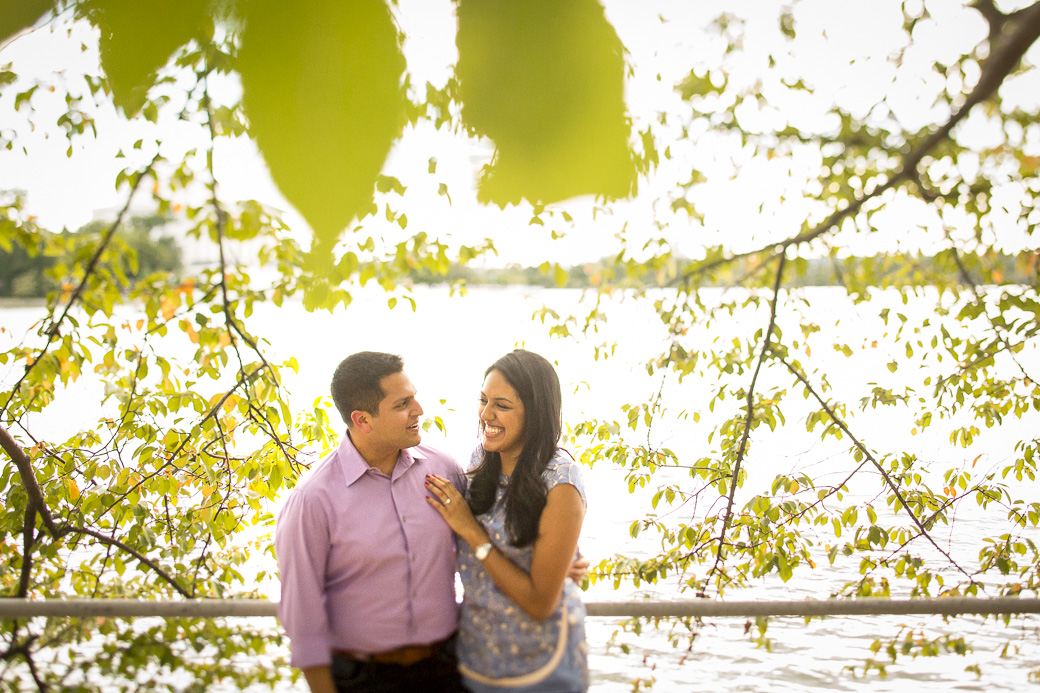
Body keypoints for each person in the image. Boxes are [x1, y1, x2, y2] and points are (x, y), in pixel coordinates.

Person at [275, 352, 467, 693]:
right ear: (363, 420)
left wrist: (540, 563)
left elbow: (483, 540)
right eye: (403, 404)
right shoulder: (312, 500)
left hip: (448, 669)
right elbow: (303, 621)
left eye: (414, 397)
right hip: (362, 680)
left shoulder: (446, 470)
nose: (419, 410)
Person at [425, 349, 589, 692]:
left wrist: (472, 532)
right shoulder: (481, 459)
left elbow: (540, 603)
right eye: (483, 400)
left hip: (541, 667)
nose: (486, 414)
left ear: (535, 412)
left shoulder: (561, 480)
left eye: (502, 404)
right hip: (476, 659)